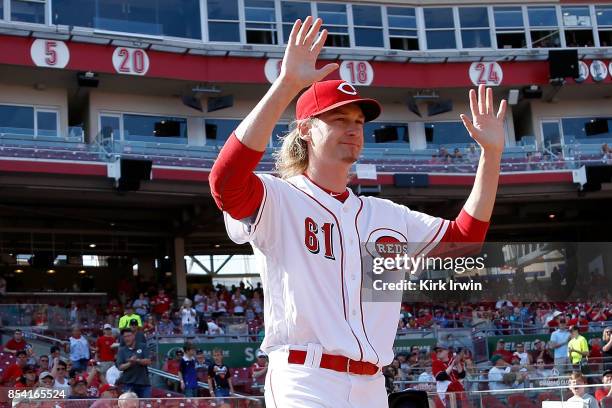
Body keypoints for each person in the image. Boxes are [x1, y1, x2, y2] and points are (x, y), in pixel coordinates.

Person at [209, 16, 505, 407]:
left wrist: (492, 155)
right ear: (305, 129)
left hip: (372, 385)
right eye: (339, 118)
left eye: (359, 121)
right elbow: (225, 183)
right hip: (305, 377)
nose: (354, 129)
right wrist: (285, 87)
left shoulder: (387, 215)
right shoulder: (278, 198)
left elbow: (466, 238)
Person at [115, 328, 152, 398]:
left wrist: (137, 360)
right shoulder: (121, 350)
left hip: (144, 383)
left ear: (133, 336)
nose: (126, 339)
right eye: (125, 337)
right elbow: (120, 367)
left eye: (128, 336)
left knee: (145, 404)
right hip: (128, 384)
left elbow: (148, 361)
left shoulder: (143, 346)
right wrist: (130, 363)